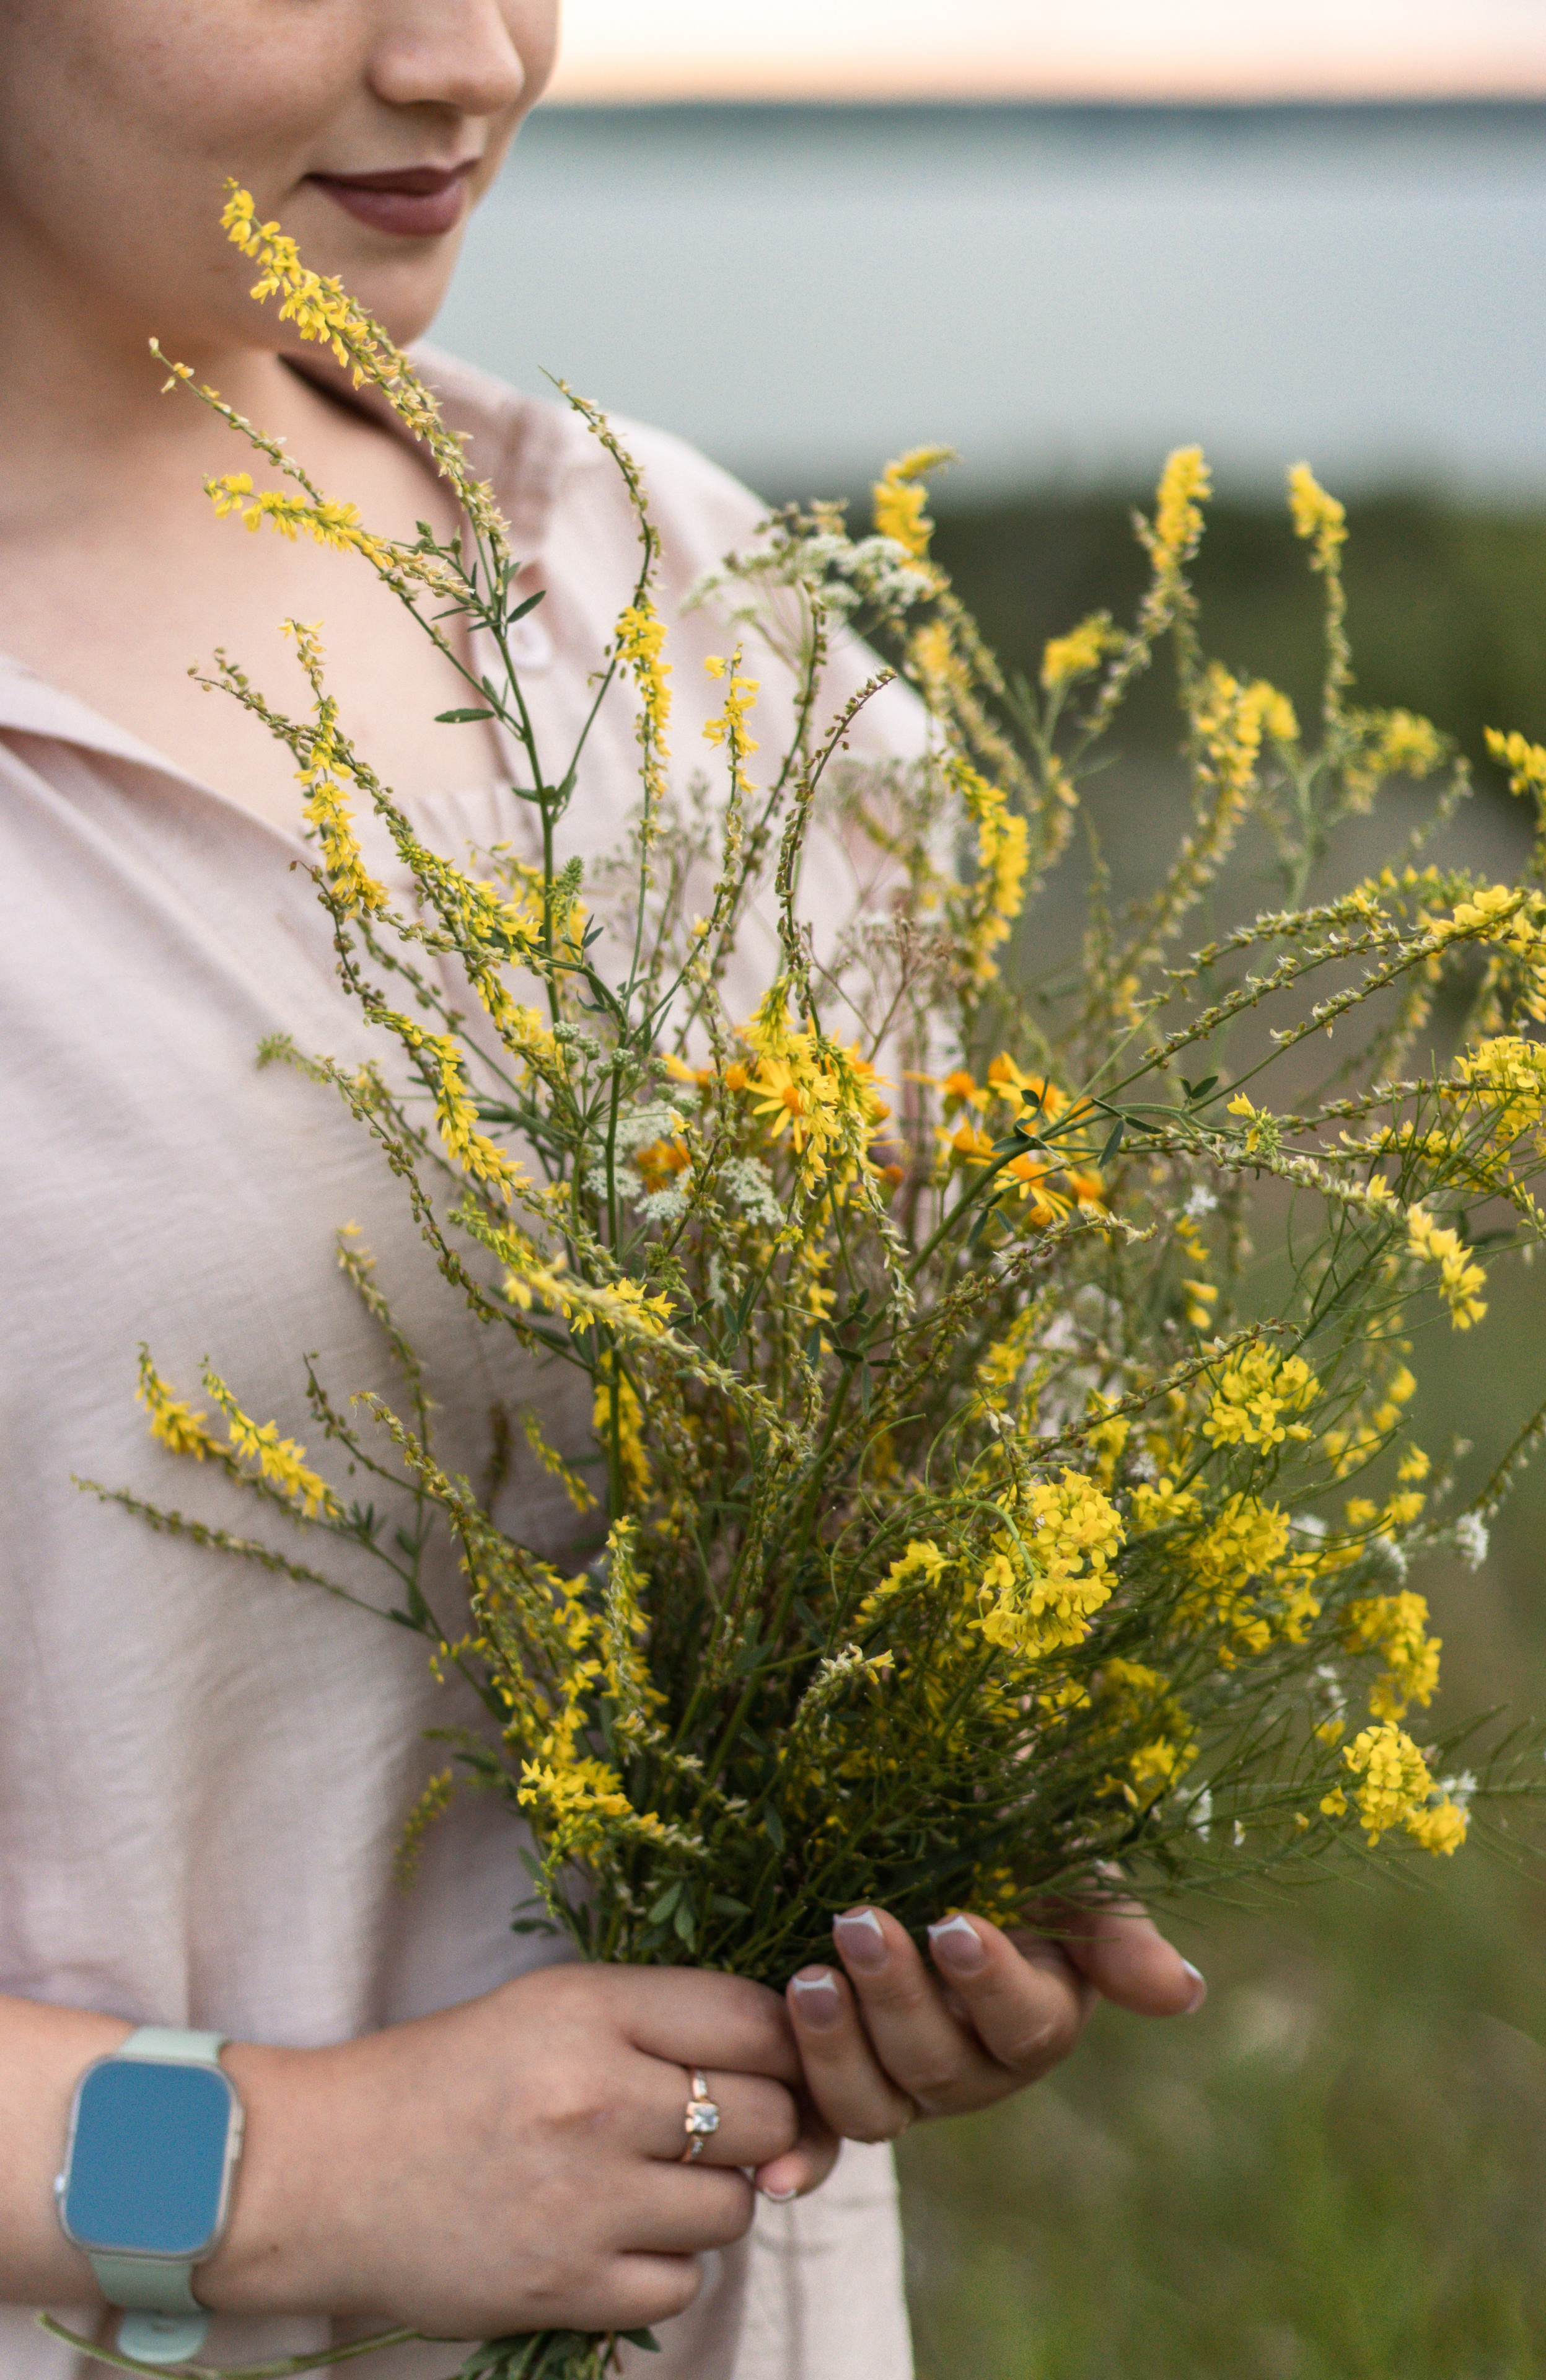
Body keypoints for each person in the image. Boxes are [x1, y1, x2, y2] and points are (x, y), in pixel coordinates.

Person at [0, 6, 1205, 2376]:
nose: (470, 55)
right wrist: (287, 2178)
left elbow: (940, 1438)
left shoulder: (668, 582)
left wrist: (951, 1838)